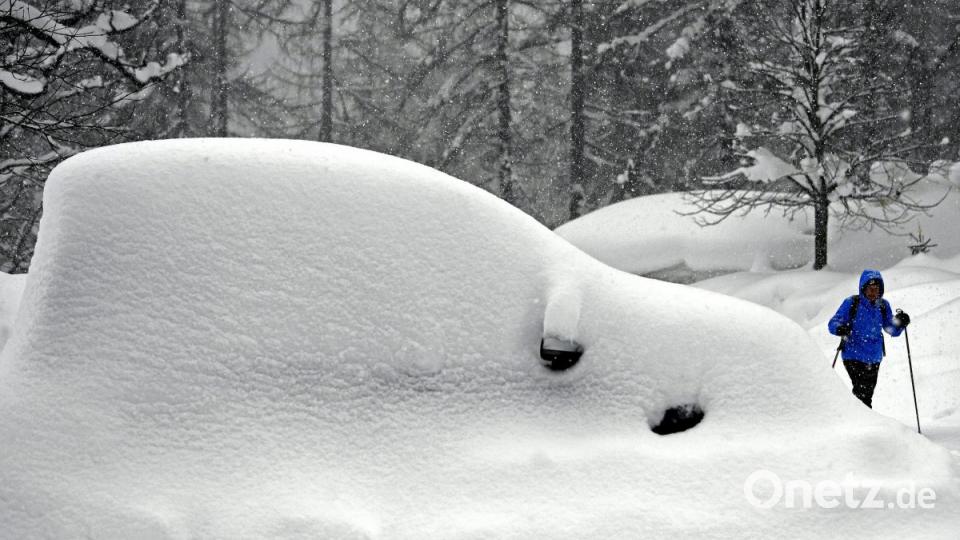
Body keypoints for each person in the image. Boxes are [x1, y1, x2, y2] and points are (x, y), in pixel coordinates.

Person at [828, 269, 910, 408]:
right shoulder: (852, 303)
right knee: (862, 394)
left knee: (867, 395)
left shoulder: (883, 305)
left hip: (874, 357)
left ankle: (860, 420)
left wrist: (900, 323)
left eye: (876, 289)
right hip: (853, 354)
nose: (873, 292)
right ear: (863, 289)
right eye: (870, 289)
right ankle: (863, 423)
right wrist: (840, 328)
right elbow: (833, 322)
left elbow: (890, 328)